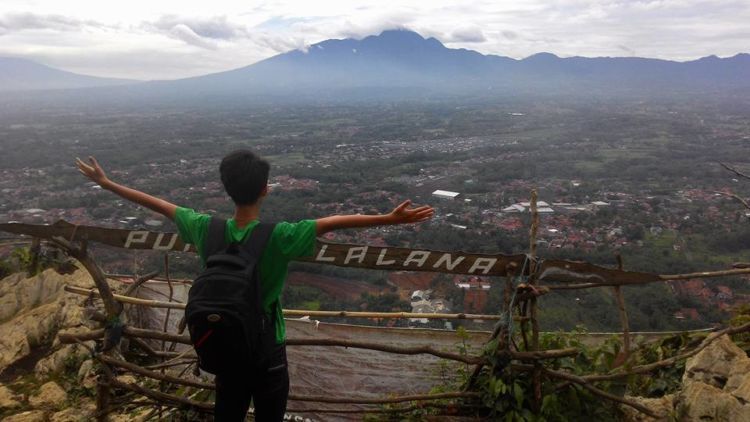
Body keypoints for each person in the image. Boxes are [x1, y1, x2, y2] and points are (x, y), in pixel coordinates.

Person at [75, 150, 434, 421]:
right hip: (266, 350)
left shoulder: (205, 228)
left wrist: (106, 184)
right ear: (265, 189)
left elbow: (161, 206)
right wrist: (388, 218)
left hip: (223, 345)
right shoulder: (279, 236)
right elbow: (331, 223)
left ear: (227, 189)